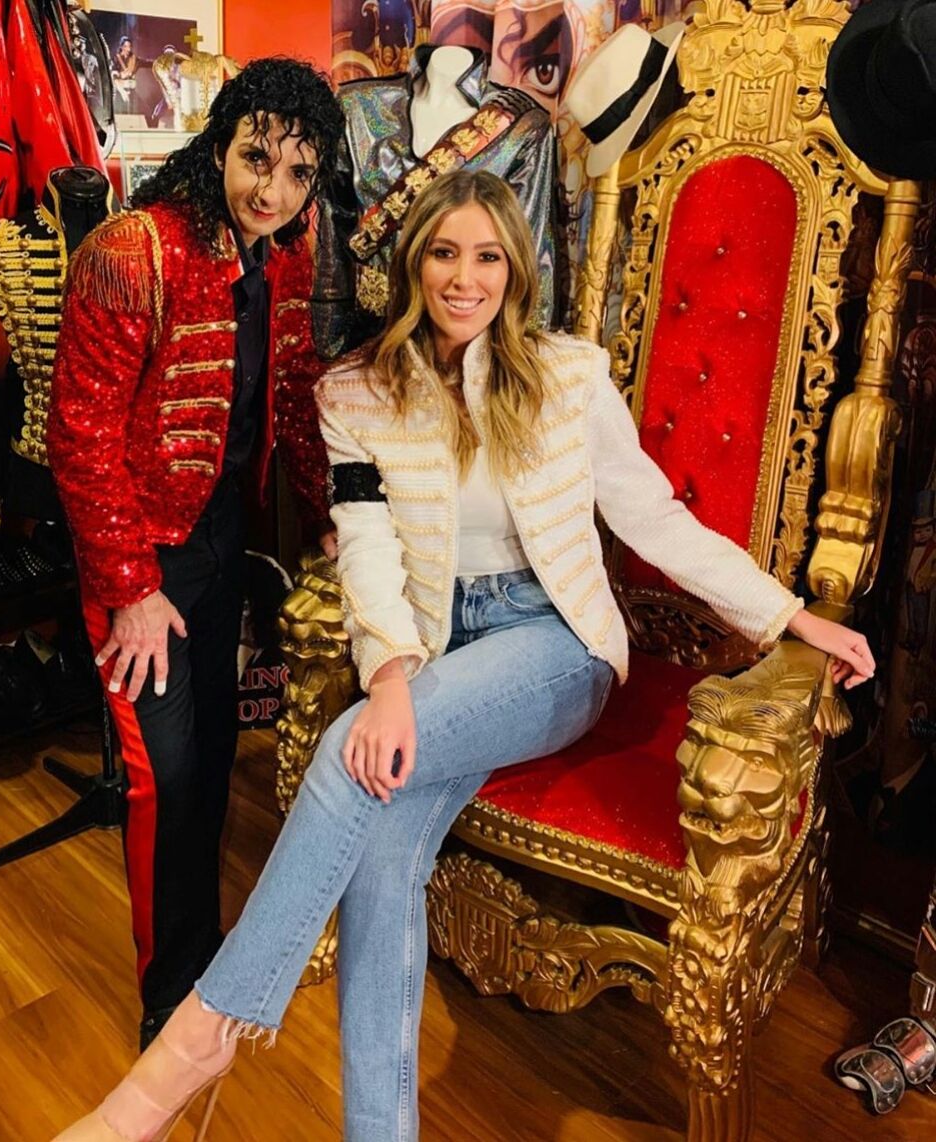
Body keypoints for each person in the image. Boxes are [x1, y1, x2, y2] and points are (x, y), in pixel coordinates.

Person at [53, 169, 876, 1142]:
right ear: (415, 264)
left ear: (515, 269)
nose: (464, 277)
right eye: (445, 253)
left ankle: (198, 1038)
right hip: (433, 644)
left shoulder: (569, 376)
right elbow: (365, 544)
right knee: (382, 852)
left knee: (346, 752)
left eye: (487, 256)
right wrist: (391, 675)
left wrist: (788, 615)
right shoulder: (357, 391)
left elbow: (655, 519)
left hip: (553, 643)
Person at [47, 58, 342, 1052]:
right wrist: (131, 588)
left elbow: (293, 396)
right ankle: (170, 1004)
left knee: (213, 757)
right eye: (257, 157)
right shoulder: (133, 251)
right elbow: (81, 436)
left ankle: (202, 962)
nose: (272, 188)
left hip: (222, 542)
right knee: (163, 779)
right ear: (220, 143)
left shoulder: (284, 256)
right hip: (147, 565)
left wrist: (329, 513)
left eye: (297, 173)